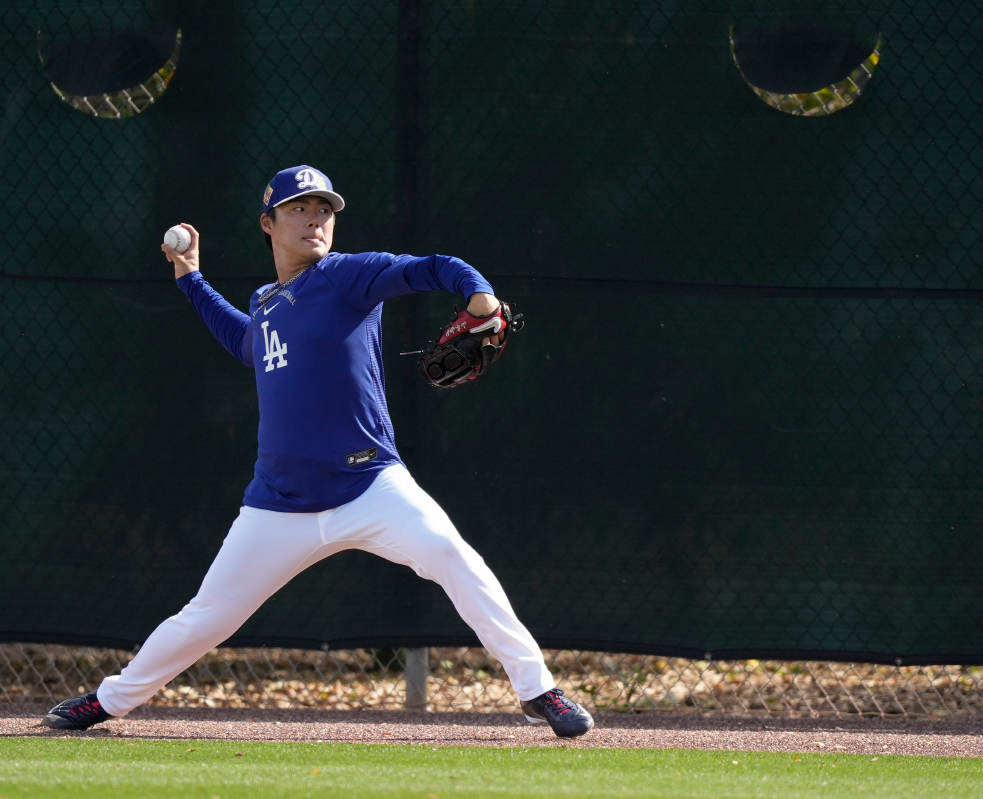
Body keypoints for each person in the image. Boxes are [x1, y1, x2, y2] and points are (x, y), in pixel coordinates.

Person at [41, 165, 593, 738]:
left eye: (324, 209)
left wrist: (478, 294)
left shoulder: (347, 277)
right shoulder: (266, 302)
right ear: (268, 222)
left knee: (455, 558)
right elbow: (245, 343)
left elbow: (432, 268)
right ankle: (106, 703)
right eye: (300, 208)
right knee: (206, 617)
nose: (315, 219)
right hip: (279, 503)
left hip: (371, 485)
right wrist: (190, 278)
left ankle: (539, 691)